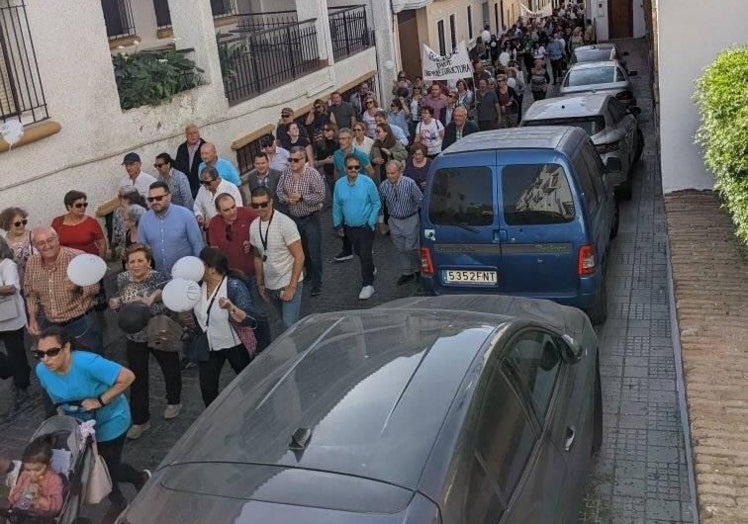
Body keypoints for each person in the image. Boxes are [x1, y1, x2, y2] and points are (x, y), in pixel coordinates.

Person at [34, 326, 148, 508]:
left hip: (111, 421)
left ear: (67, 348)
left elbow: (128, 377)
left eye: (52, 352)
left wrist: (100, 400)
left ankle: (137, 480)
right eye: (40, 354)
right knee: (88, 464)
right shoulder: (42, 370)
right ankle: (116, 497)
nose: (46, 359)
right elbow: (53, 397)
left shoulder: (89, 364)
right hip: (79, 426)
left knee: (108, 466)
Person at [110, 244, 179, 440]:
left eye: (140, 260)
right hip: (134, 337)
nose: (136, 265)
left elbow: (168, 304)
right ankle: (141, 420)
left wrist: (146, 308)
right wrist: (115, 303)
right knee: (137, 377)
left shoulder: (159, 278)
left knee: (170, 367)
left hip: (157, 330)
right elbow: (119, 299)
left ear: (149, 262)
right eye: (132, 261)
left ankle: (174, 401)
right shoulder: (122, 278)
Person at [208, 194, 272, 351]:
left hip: (252, 273)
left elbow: (265, 235)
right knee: (242, 316)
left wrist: (253, 243)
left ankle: (267, 347)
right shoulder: (214, 224)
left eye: (233, 207)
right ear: (218, 211)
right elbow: (215, 252)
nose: (231, 212)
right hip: (233, 278)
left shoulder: (249, 214)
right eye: (226, 210)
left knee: (258, 313)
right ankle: (252, 347)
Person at [194, 247, 257, 407]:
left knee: (248, 382)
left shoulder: (234, 287)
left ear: (212, 269)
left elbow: (249, 318)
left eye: (201, 265)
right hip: (209, 345)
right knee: (207, 388)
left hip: (234, 345)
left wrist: (231, 308)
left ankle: (255, 409)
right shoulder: (197, 286)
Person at [24, 227, 103, 354]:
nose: (47, 246)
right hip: (51, 325)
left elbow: (95, 288)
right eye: (41, 243)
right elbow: (31, 294)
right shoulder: (32, 263)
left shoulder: (77, 257)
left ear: (58, 239)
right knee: (59, 365)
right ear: (35, 246)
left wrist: (77, 285)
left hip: (80, 321)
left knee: (92, 360)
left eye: (50, 240)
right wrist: (32, 319)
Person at [249, 187, 304, 330]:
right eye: (255, 205)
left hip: (288, 281)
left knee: (289, 325)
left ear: (271, 202)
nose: (260, 208)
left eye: (263, 204)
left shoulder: (285, 223)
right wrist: (260, 284)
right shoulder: (254, 226)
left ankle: (301, 351)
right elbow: (258, 257)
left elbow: (299, 256)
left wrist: (292, 287)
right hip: (271, 285)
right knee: (286, 325)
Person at [276, 147, 326, 296]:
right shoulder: (286, 173)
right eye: (290, 160)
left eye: (296, 160)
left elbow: (320, 196)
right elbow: (279, 191)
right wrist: (287, 199)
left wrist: (302, 197)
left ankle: (317, 283)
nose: (292, 163)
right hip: (294, 219)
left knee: (314, 251)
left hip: (311, 218)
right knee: (302, 251)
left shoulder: (312, 174)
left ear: (304, 160)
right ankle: (309, 274)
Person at [333, 154, 381, 301]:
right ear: (345, 168)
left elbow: (376, 203)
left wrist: (371, 221)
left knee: (365, 254)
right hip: (349, 227)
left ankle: (368, 285)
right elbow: (337, 205)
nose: (353, 170)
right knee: (359, 251)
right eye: (350, 167)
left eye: (356, 167)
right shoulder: (339, 184)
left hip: (366, 226)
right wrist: (337, 224)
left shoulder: (367, 182)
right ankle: (371, 267)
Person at [138, 181, 203, 275]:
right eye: (151, 199)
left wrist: (199, 271)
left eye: (158, 198)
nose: (154, 202)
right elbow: (141, 250)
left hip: (186, 275)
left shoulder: (186, 215)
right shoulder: (144, 220)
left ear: (169, 196)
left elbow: (197, 245)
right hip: (159, 277)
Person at [379, 160, 423, 286]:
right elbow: (380, 205)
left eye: (393, 173)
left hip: (410, 219)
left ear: (399, 172)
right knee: (400, 249)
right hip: (394, 221)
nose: (390, 176)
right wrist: (381, 223)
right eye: (388, 173)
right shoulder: (383, 186)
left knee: (411, 248)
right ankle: (407, 272)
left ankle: (418, 270)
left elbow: (421, 201)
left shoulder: (410, 184)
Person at [0, 237, 30, 406]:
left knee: (16, 352)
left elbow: (11, 288)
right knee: (13, 358)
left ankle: (22, 384)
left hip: (11, 317)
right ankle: (13, 370)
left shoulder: (7, 265)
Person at [8, 437, 63, 513]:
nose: (31, 474)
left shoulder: (54, 480)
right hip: (19, 514)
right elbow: (12, 498)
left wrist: (39, 498)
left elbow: (57, 506)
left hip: (39, 518)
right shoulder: (24, 475)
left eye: (37, 470)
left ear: (49, 464)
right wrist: (21, 492)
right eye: (28, 469)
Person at [51, 191, 107, 259]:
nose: (83, 207)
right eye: (79, 205)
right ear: (69, 207)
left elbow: (102, 243)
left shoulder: (91, 222)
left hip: (89, 261)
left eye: (85, 204)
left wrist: (100, 262)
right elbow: (52, 243)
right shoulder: (58, 222)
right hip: (66, 262)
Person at [111, 186, 147, 263]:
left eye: (123, 197)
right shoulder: (117, 211)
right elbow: (116, 230)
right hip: (125, 249)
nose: (120, 199)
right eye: (119, 196)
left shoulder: (140, 211)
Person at [0, 207, 35, 280]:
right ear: (8, 225)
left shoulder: (33, 236)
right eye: (17, 224)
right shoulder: (3, 242)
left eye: (24, 222)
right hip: (15, 282)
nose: (22, 225)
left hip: (34, 280)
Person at [174, 124, 207, 198]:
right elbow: (177, 166)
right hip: (186, 186)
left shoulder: (205, 146)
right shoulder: (181, 148)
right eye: (190, 134)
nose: (192, 136)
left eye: (194, 133)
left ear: (198, 134)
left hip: (201, 185)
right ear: (186, 135)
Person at [117, 204, 146, 269]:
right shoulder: (128, 232)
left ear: (133, 221)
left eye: (125, 219)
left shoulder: (142, 237)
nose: (122, 221)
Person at [313, 123, 339, 190]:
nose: (325, 131)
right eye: (323, 130)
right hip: (329, 173)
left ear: (333, 130)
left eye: (327, 130)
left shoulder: (339, 142)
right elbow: (316, 162)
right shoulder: (321, 144)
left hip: (340, 171)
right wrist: (325, 161)